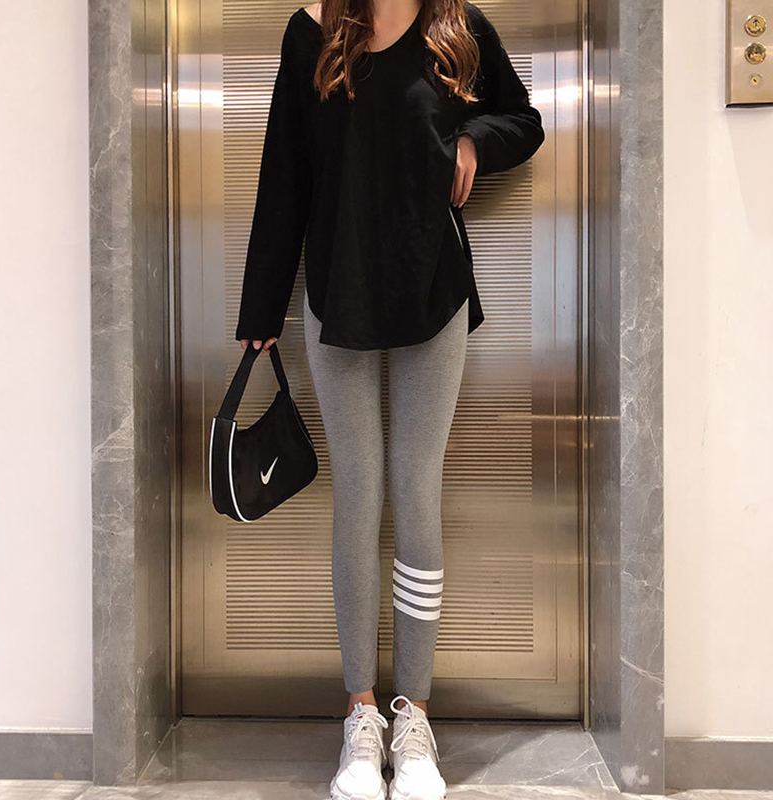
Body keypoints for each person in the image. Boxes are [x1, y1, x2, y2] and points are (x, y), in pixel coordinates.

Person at [235, 1, 545, 797]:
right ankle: (361, 714)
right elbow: (284, 176)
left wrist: (474, 141)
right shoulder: (312, 32)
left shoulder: (458, 27)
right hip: (337, 296)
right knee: (359, 497)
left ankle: (414, 719)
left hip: (433, 294)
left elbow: (525, 121)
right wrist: (261, 309)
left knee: (416, 493)